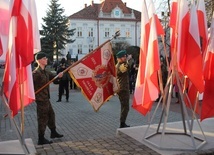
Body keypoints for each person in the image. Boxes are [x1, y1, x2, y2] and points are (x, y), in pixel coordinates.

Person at [33, 52, 64, 145]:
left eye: (46, 58)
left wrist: (59, 76)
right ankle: (41, 138)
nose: (46, 59)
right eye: (44, 58)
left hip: (46, 98)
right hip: (40, 99)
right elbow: (30, 86)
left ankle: (53, 132)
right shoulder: (36, 73)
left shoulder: (46, 72)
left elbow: (54, 80)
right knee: (42, 118)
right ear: (39, 61)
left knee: (51, 114)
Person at [115, 50, 130, 128]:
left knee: (125, 106)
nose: (125, 58)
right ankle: (122, 123)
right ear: (119, 58)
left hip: (123, 88)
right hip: (122, 89)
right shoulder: (120, 65)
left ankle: (123, 122)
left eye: (125, 56)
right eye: (123, 57)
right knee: (125, 107)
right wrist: (128, 60)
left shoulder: (120, 64)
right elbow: (126, 67)